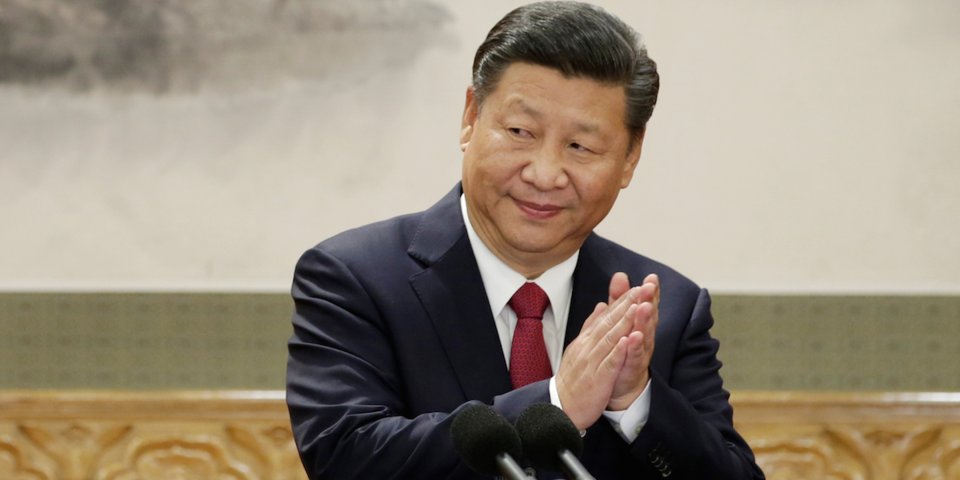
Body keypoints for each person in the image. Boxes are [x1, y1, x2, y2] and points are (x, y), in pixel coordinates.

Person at [286, 2, 764, 478]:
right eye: (520, 131)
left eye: (580, 146)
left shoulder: (665, 309)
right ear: (470, 117)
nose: (544, 174)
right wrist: (557, 403)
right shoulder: (355, 278)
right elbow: (345, 458)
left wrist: (635, 402)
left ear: (629, 159)